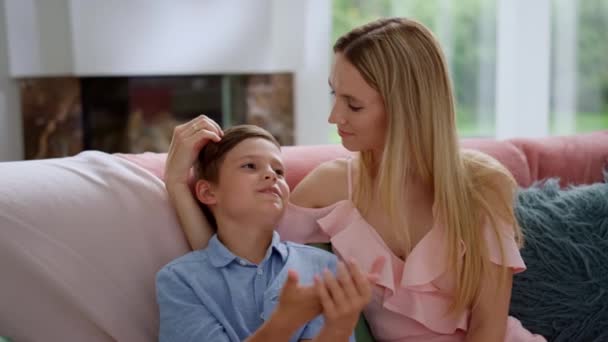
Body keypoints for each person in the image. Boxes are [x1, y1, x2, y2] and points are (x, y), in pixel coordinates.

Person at [164, 18, 546, 341]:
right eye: (335, 95)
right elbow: (237, 261)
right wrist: (178, 185)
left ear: (406, 109)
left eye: (354, 104)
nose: (334, 117)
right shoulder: (329, 188)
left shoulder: (484, 186)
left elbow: (488, 329)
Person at [157, 125, 382, 342]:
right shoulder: (180, 280)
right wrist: (285, 321)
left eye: (279, 171)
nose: (271, 175)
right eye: (250, 166)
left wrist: (339, 327)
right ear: (207, 192)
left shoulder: (322, 266)